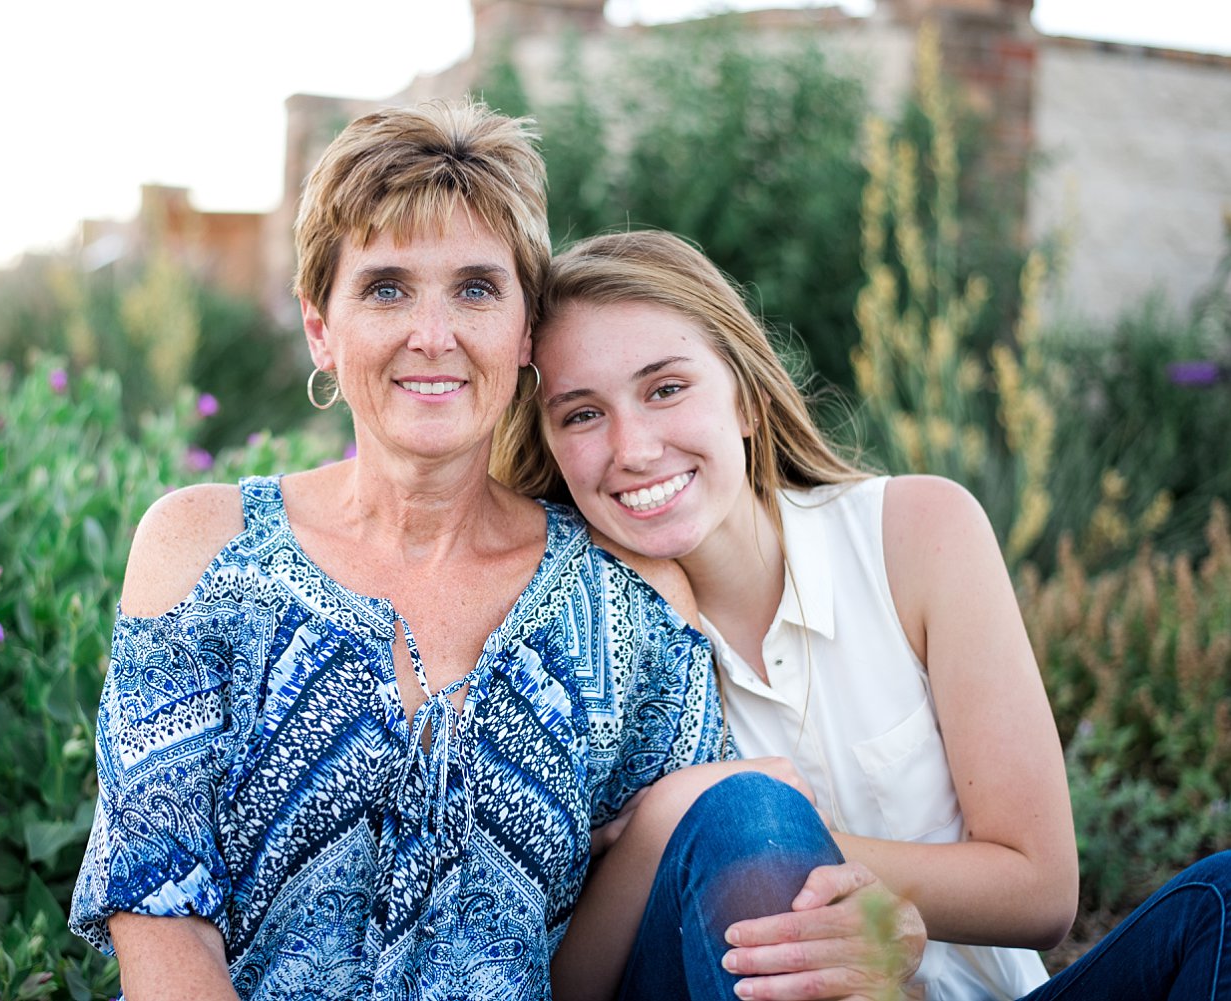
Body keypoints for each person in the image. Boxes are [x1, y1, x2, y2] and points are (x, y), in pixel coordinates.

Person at [67, 102, 923, 1001]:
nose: (433, 335)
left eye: (475, 288)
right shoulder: (206, 550)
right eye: (387, 287)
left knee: (749, 807)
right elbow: (158, 911)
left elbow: (661, 927)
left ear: (524, 334)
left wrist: (823, 891)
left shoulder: (622, 599)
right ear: (321, 325)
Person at [492, 227, 1231, 1001]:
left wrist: (839, 881)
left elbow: (1042, 889)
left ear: (744, 397)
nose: (634, 447)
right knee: (744, 813)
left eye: (666, 388)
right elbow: (568, 985)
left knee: (1221, 899)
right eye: (580, 414)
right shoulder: (570, 648)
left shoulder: (918, 534)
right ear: (548, 441)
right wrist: (681, 825)